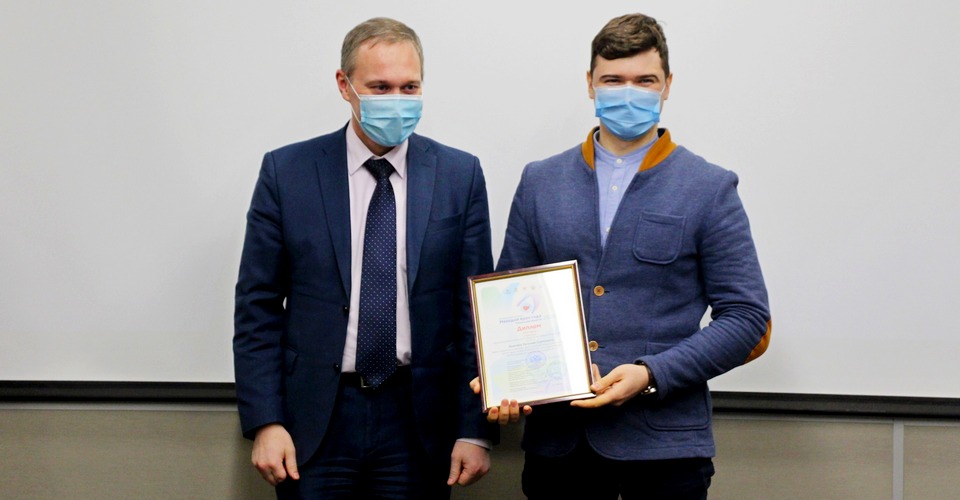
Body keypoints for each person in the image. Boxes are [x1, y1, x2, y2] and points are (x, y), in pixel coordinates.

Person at [473, 13, 772, 499]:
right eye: (613, 80)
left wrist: (651, 374)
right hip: (559, 449)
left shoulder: (709, 187)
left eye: (644, 81)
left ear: (667, 85)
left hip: (664, 453)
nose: (628, 93)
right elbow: (510, 301)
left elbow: (747, 319)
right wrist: (506, 380)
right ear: (589, 84)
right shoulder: (540, 181)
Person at [234, 17, 496, 499]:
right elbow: (258, 307)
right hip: (314, 420)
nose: (397, 99)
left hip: (419, 421)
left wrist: (473, 429)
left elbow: (473, 315)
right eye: (380, 87)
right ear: (345, 85)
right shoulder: (287, 172)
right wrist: (266, 421)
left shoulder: (460, 175)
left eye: (409, 87)